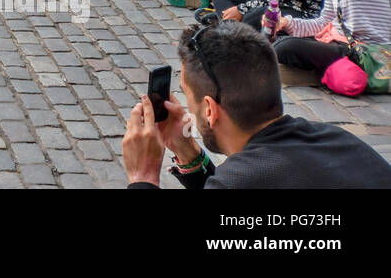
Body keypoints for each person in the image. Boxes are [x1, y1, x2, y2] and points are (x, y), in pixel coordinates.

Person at [121, 21, 391, 188]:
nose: (187, 110)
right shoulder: (338, 140)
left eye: (187, 96)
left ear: (209, 110)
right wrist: (190, 155)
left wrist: (143, 178)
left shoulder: (239, 180)